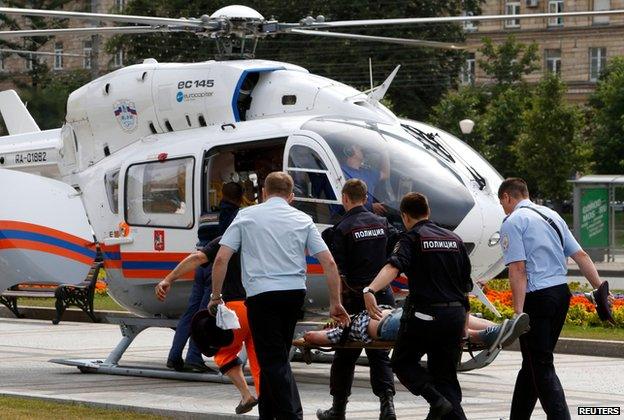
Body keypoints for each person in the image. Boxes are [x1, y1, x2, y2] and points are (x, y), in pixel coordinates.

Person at [208, 171, 350, 420]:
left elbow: (221, 258)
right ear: (291, 196)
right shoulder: (303, 219)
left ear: (263, 192)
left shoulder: (246, 215)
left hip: (262, 296)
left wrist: (216, 296)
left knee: (273, 360)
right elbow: (328, 262)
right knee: (277, 357)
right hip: (294, 294)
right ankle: (268, 413)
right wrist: (335, 302)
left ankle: (292, 415)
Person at [498, 178, 610, 420]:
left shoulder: (513, 221)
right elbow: (580, 255)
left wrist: (519, 313)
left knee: (540, 365)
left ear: (507, 197)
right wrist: (601, 290)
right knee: (531, 365)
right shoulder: (552, 215)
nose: (503, 208)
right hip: (561, 294)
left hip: (537, 297)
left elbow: (517, 268)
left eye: (502, 203)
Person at [364, 192, 473, 420]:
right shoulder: (454, 239)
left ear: (404, 216)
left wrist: (370, 290)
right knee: (445, 378)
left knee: (402, 362)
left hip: (425, 316)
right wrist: (463, 322)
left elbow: (393, 267)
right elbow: (465, 288)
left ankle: (435, 399)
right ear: (428, 212)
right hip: (454, 316)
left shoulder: (411, 238)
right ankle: (441, 403)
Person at [317, 179, 398, 420]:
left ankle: (338, 409)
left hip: (354, 297)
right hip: (382, 293)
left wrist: (337, 304)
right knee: (380, 352)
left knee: (344, 353)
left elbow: (337, 270)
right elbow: (398, 249)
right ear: (365, 198)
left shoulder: (342, 228)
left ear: (345, 199)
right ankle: (388, 407)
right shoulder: (383, 223)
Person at [304, 308, 529, 352]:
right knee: (445, 320)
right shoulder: (344, 330)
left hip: (395, 317)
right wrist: (308, 337)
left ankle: (503, 329)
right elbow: (314, 337)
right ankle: (489, 333)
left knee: (450, 317)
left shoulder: (352, 320)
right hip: (390, 324)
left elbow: (314, 335)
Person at [340, 144, 389, 215]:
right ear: (349, 150)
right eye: (358, 147)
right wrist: (370, 207)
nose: (362, 148)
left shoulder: (368, 173)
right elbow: (344, 199)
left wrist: (384, 151)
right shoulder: (341, 171)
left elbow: (385, 174)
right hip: (350, 218)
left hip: (367, 218)